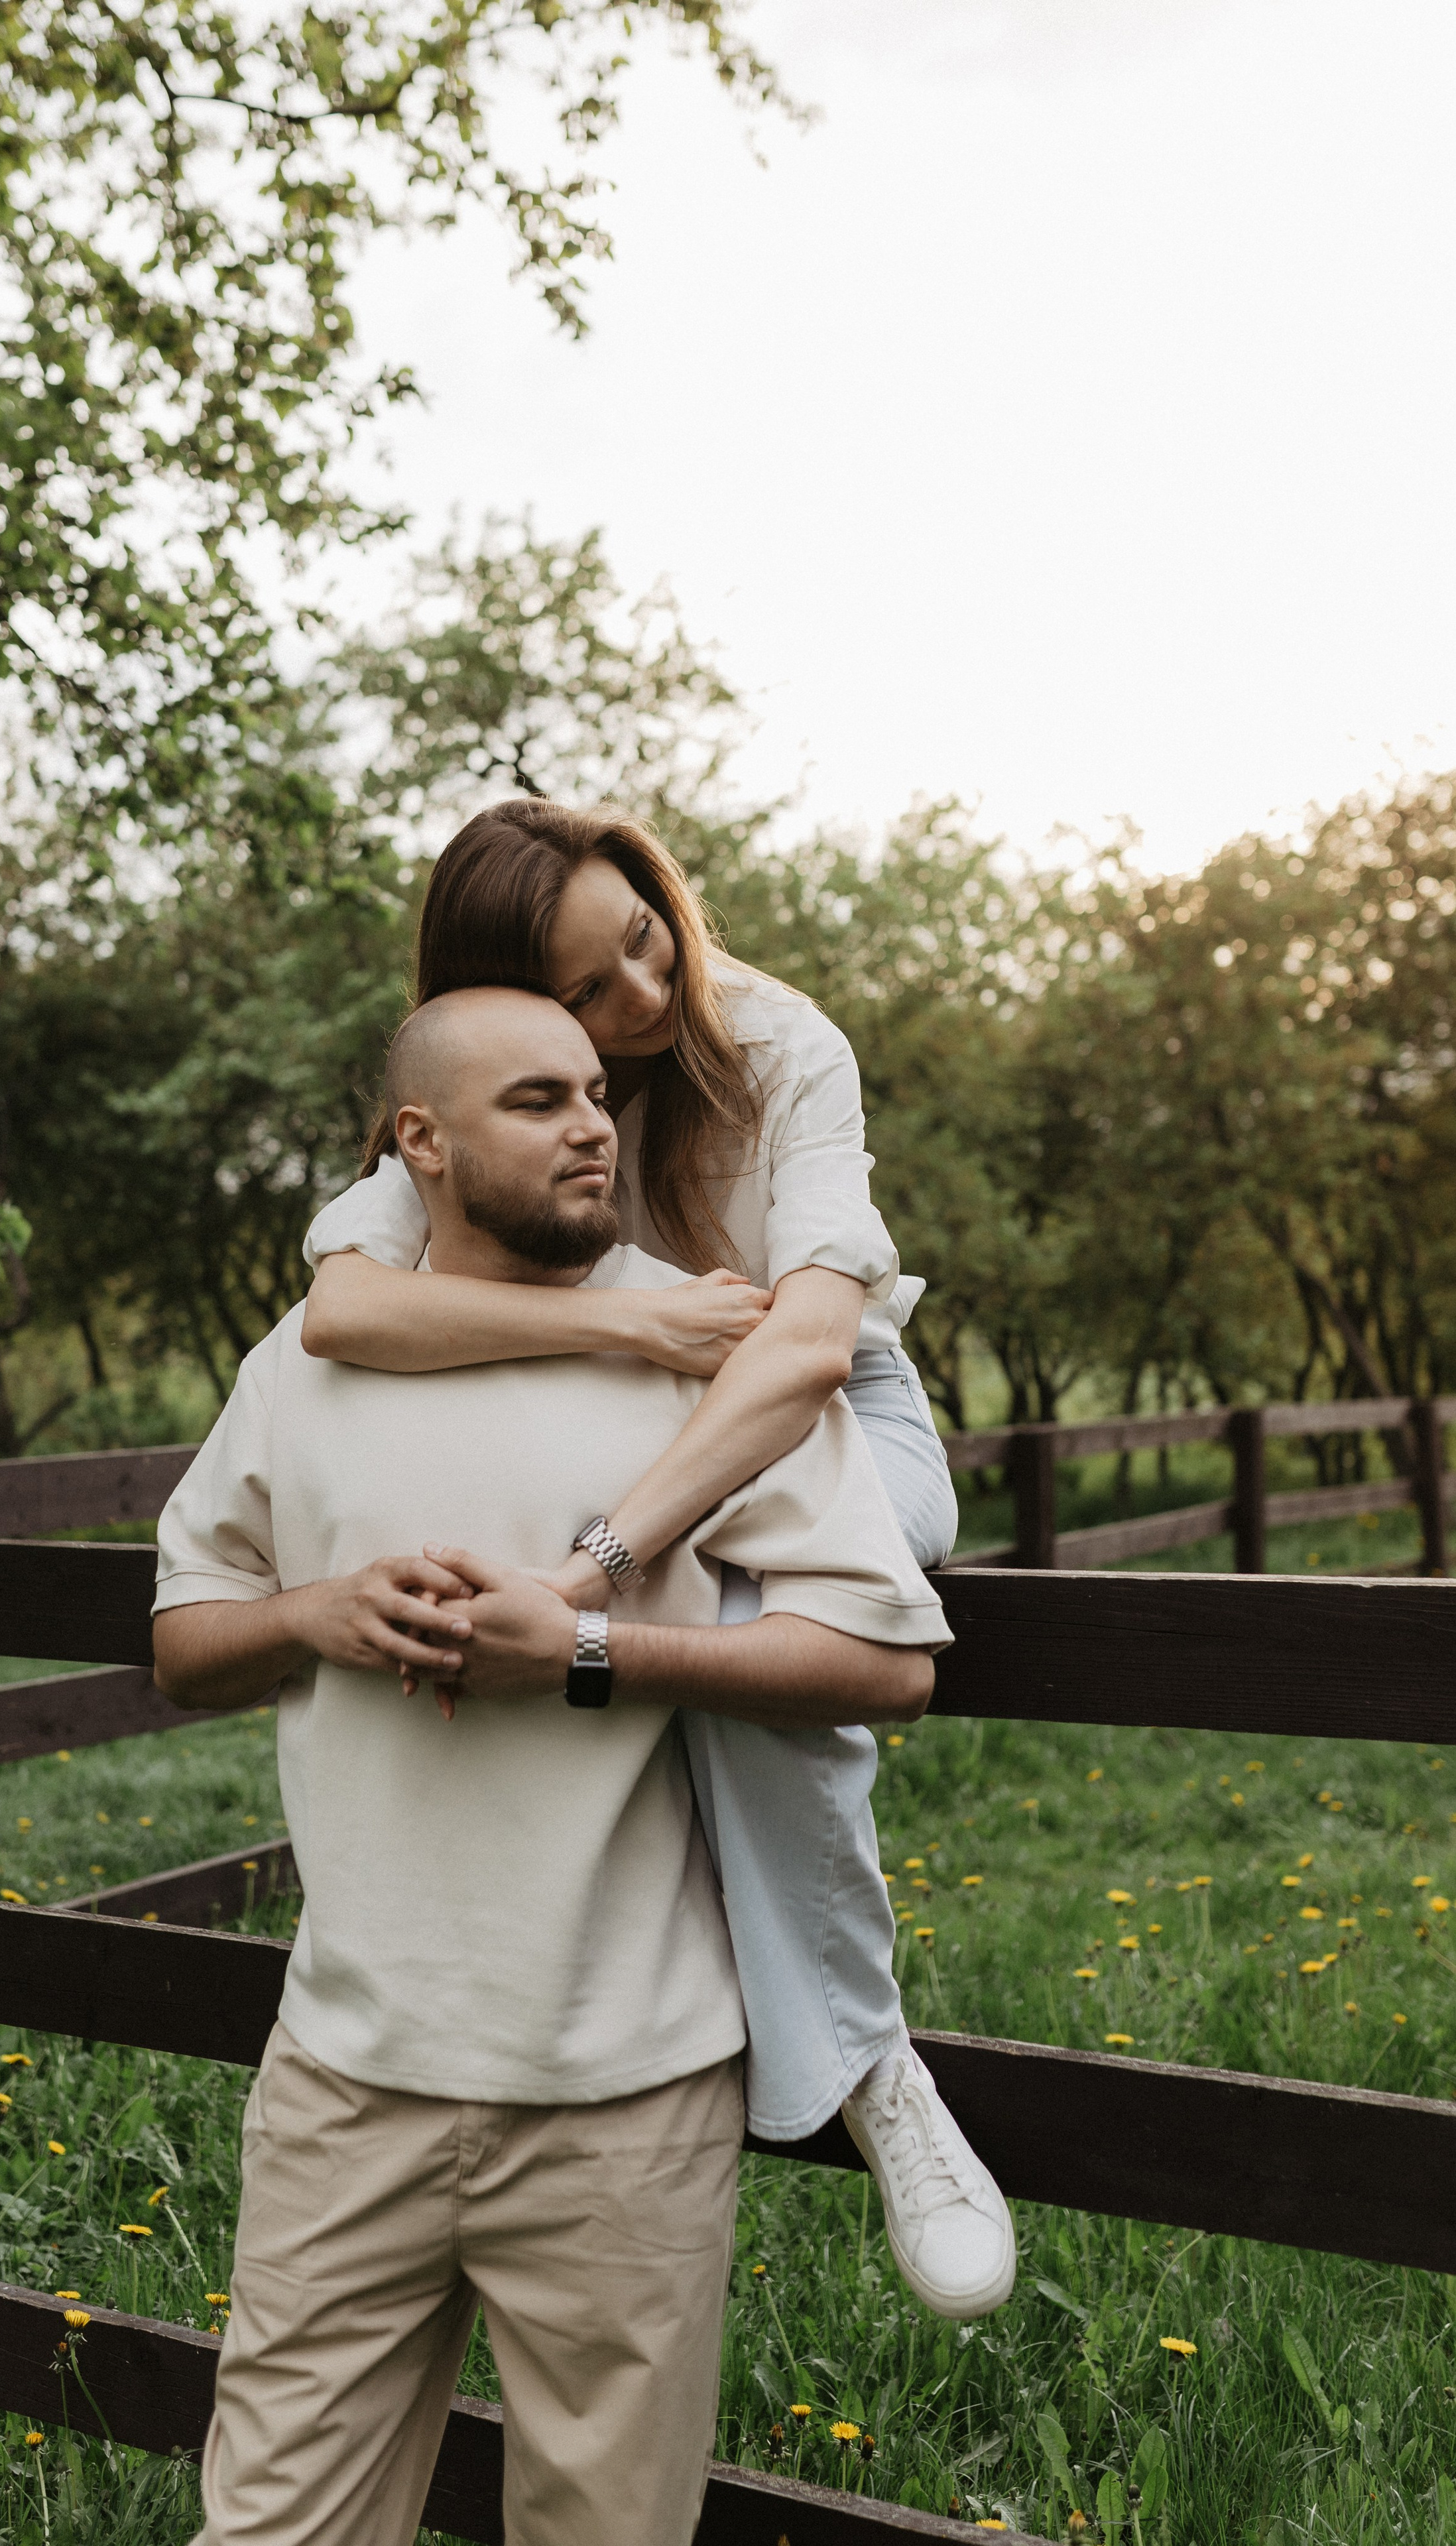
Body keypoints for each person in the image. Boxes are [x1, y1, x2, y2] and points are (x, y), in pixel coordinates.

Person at [152, 987, 946, 2546]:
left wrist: (580, 1650)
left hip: (625, 2103)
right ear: (418, 1144)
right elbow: (185, 1635)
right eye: (536, 1101)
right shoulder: (307, 1358)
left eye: (595, 1091)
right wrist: (320, 1611)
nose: (592, 1123)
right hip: (341, 2086)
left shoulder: (703, 1347)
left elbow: (880, 1662)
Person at [296, 796, 1014, 2319]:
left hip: (826, 1411)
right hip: (630, 1388)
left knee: (740, 1603)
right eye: (584, 990)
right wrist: (622, 1323)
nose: (643, 995)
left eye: (647, 936)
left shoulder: (781, 1045)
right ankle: (577, 2021)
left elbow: (811, 1345)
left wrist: (604, 1565)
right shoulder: (488, 1079)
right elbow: (348, 1312)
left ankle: (873, 2067)